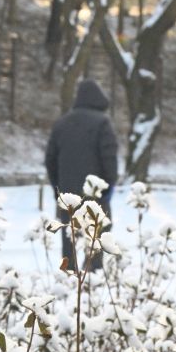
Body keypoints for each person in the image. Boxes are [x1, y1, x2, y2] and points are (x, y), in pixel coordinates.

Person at [45, 79, 118, 271]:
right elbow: (109, 157)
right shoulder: (102, 123)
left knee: (69, 237)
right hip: (95, 194)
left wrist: (57, 189)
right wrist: (109, 185)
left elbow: (50, 160)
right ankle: (92, 275)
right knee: (96, 237)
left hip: (67, 195)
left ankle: (68, 275)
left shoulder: (61, 123)